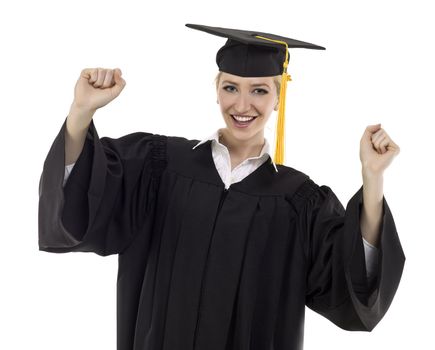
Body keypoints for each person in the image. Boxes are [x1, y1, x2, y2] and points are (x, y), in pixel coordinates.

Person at [38, 24, 405, 350]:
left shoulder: (299, 201)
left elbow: (351, 284)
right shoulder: (159, 166)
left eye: (259, 91)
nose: (242, 104)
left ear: (279, 98)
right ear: (216, 89)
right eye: (231, 87)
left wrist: (372, 180)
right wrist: (81, 112)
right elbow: (83, 199)